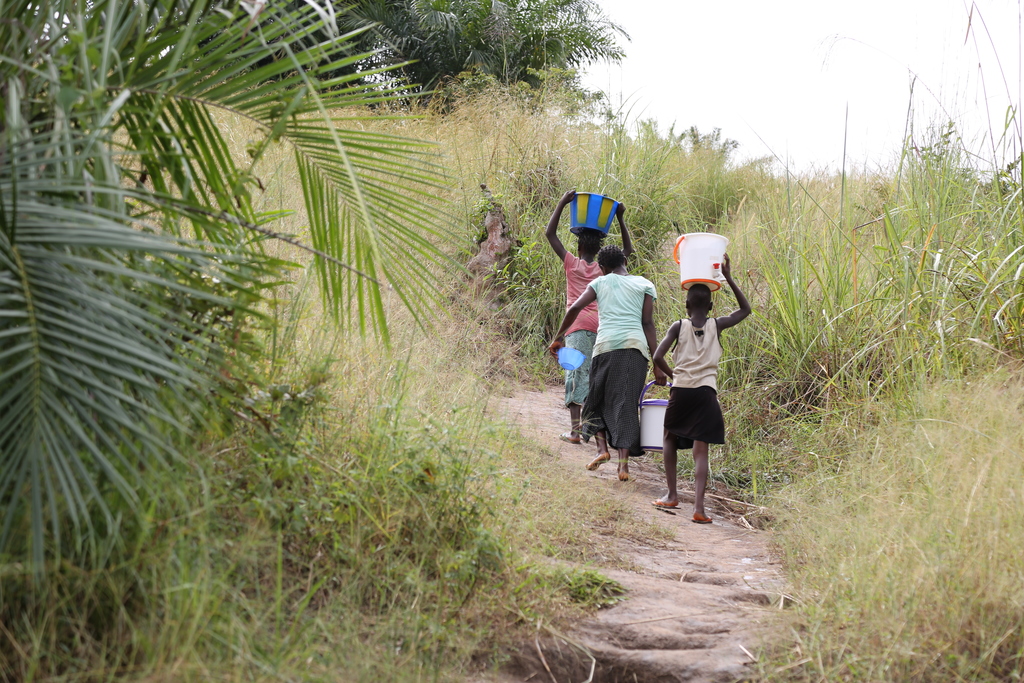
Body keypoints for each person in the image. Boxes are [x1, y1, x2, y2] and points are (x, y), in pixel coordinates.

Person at [549, 244, 666, 481]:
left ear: (602, 268)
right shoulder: (644, 284)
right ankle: (623, 467)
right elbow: (647, 324)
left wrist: (559, 336)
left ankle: (602, 450)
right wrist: (657, 362)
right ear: (625, 261)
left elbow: (576, 308)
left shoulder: (600, 283)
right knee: (625, 404)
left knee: (595, 400)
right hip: (635, 351)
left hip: (605, 348)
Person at [650, 253, 751, 524]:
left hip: (681, 390)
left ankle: (671, 495)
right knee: (701, 448)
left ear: (686, 305)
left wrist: (674, 377)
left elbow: (658, 356)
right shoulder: (717, 325)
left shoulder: (678, 326)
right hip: (707, 393)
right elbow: (745, 310)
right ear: (711, 306)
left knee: (669, 438)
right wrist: (728, 277)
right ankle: (699, 508)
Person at [545, 190, 634, 458]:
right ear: (598, 249)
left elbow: (550, 234)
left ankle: (575, 431)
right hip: (602, 327)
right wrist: (620, 218)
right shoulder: (603, 269)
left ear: (579, 246)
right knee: (595, 379)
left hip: (577, 325)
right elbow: (627, 251)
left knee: (575, 373)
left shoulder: (571, 263)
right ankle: (594, 434)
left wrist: (561, 202)